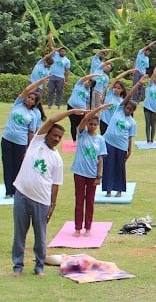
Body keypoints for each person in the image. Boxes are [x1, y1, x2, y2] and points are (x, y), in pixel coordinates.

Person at [12, 107, 82, 276]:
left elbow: (56, 184)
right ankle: (18, 267)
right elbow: (51, 121)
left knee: (40, 236)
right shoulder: (36, 142)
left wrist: (53, 204)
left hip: (42, 201)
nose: (57, 139)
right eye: (54, 135)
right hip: (22, 195)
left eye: (59, 137)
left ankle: (39, 267)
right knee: (19, 233)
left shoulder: (57, 159)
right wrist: (71, 113)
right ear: (47, 134)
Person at [2, 78, 48, 199]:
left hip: (20, 143)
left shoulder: (33, 115)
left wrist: (30, 147)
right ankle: (8, 191)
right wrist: (41, 81)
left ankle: (16, 190)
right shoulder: (18, 103)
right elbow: (27, 89)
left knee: (17, 166)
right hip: (7, 139)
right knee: (7, 165)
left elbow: (31, 133)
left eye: (33, 99)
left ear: (35, 103)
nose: (29, 99)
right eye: (29, 97)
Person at [102, 75, 147, 198]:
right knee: (108, 166)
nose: (128, 110)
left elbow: (130, 138)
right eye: (127, 108)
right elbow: (129, 96)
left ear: (133, 111)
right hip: (109, 142)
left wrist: (130, 151)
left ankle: (119, 190)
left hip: (121, 146)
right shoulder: (119, 110)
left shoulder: (132, 122)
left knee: (119, 167)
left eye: (131, 110)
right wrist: (138, 84)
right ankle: (108, 190)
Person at [71, 104, 111, 236]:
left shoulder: (100, 140)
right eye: (90, 124)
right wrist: (100, 108)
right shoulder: (81, 134)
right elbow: (83, 119)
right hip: (79, 172)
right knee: (79, 200)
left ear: (97, 125)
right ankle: (77, 228)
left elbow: (100, 159)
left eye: (94, 124)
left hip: (92, 174)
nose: (92, 126)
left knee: (90, 201)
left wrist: (99, 176)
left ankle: (88, 227)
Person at [65, 73, 104, 142]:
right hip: (71, 107)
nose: (88, 83)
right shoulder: (79, 84)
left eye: (90, 84)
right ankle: (74, 140)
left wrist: (87, 112)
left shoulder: (89, 92)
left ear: (91, 86)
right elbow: (86, 77)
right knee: (73, 124)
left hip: (82, 110)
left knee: (82, 125)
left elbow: (87, 103)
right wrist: (95, 75)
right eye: (88, 81)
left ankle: (83, 139)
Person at [100, 69, 135, 135]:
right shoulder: (109, 93)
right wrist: (127, 71)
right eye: (115, 87)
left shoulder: (122, 101)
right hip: (104, 121)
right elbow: (116, 78)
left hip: (113, 123)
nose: (116, 89)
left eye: (118, 88)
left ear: (122, 90)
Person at [142, 59, 156, 144]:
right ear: (154, 78)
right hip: (147, 107)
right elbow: (154, 73)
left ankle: (152, 140)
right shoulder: (150, 84)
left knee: (153, 125)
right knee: (148, 124)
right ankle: (148, 140)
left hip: (154, 109)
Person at [47, 34, 71, 109]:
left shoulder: (67, 60)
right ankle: (49, 105)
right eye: (61, 51)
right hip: (52, 76)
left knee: (59, 92)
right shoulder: (55, 55)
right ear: (59, 51)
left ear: (65, 52)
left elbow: (67, 71)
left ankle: (58, 105)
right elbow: (51, 46)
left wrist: (66, 80)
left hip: (60, 77)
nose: (63, 52)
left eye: (64, 51)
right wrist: (50, 37)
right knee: (51, 91)